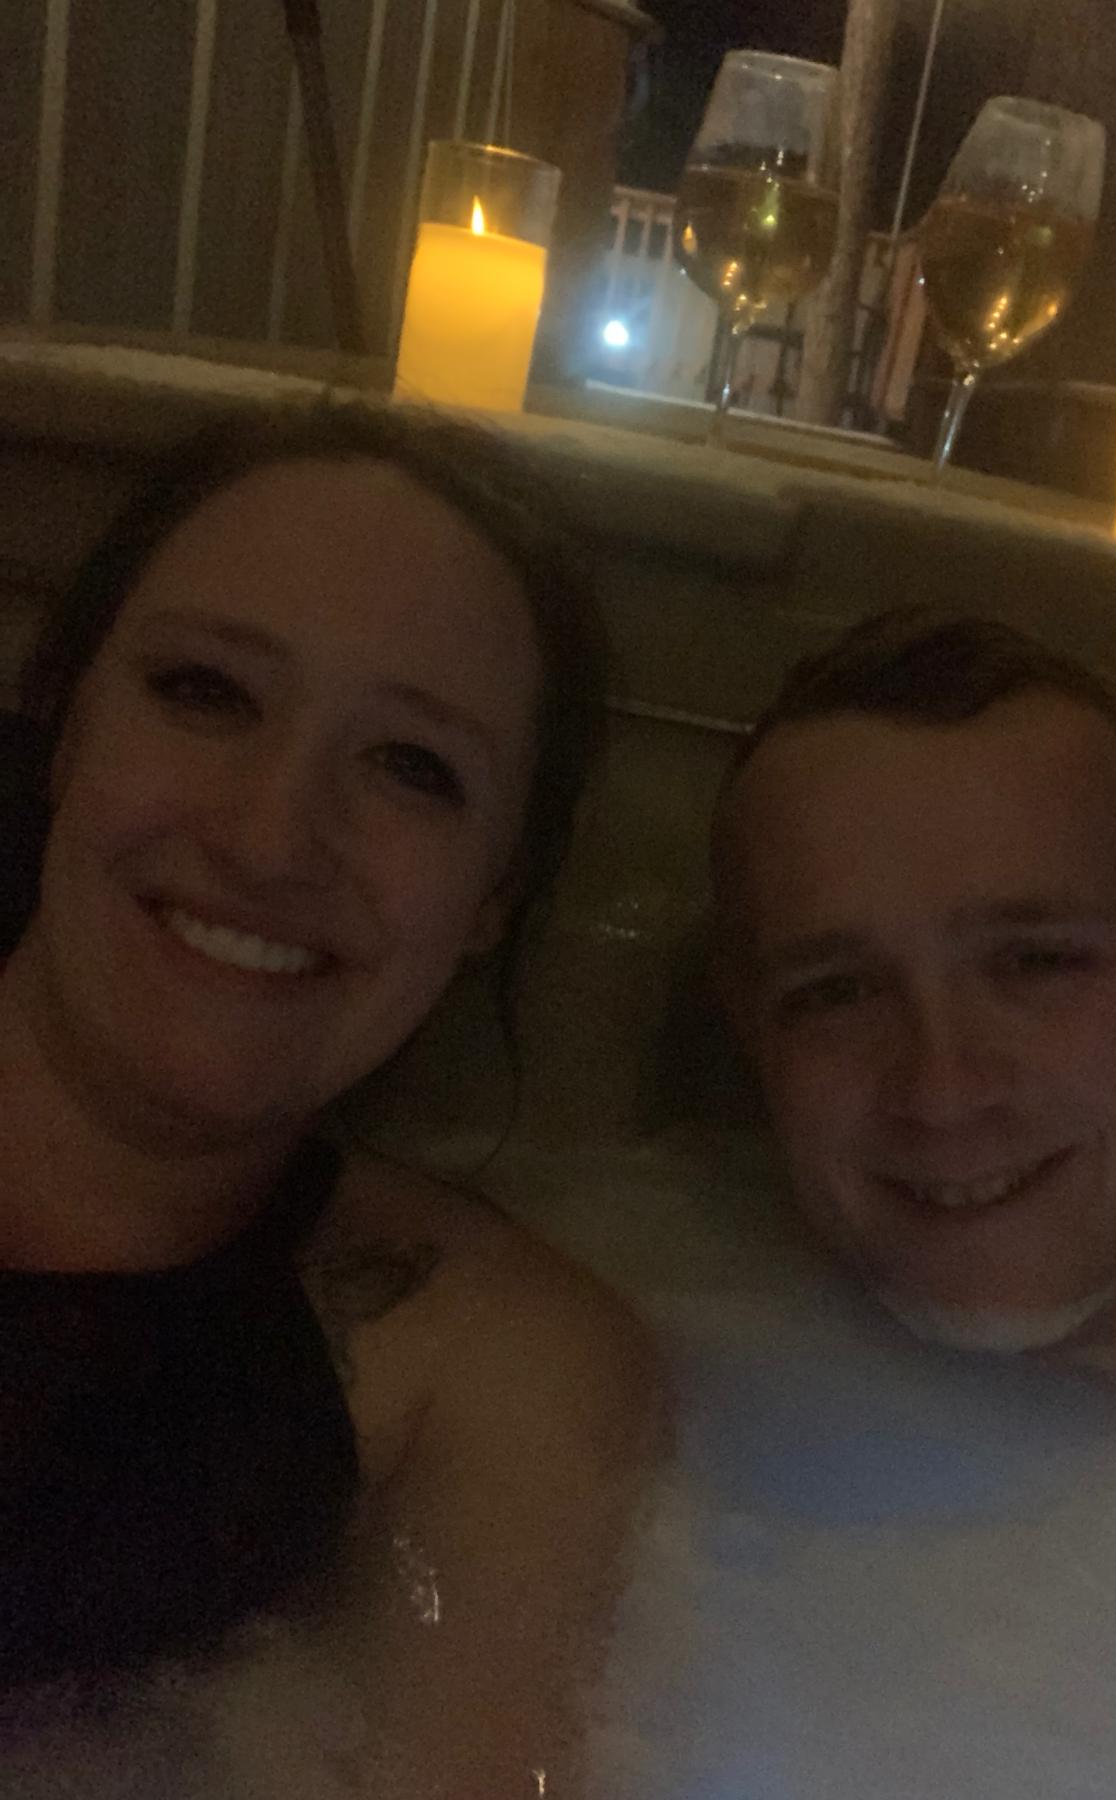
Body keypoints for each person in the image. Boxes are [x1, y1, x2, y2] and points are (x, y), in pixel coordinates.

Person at [0, 400, 662, 1796]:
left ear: (491, 901)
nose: (269, 837)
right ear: (62, 725)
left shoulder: (480, 1369)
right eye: (205, 692)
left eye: (413, 769)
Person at [711, 607, 1116, 1398]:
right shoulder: (648, 1326)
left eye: (1036, 962)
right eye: (837, 992)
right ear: (748, 1024)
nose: (943, 1097)